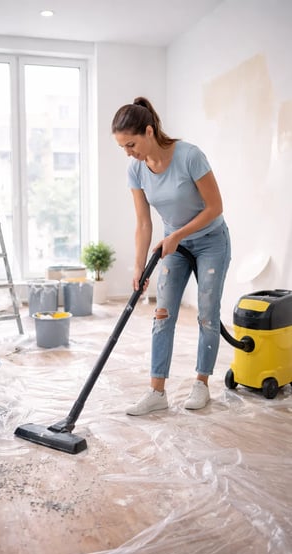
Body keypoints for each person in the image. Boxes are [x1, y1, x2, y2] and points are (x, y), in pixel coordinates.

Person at [111, 97, 231, 414]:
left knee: (207, 313)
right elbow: (143, 222)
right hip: (174, 246)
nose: (128, 153)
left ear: (149, 131)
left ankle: (201, 384)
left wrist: (177, 234)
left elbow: (215, 208)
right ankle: (157, 392)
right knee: (162, 314)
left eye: (131, 144)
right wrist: (139, 267)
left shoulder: (189, 156)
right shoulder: (136, 169)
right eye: (123, 147)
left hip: (210, 241)